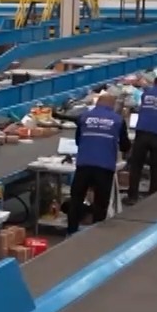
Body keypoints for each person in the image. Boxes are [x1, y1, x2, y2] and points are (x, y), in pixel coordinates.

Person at [65, 92, 130, 235]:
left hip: (84, 165)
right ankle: (95, 233)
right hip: (104, 166)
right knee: (100, 203)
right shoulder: (118, 120)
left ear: (97, 103)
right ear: (112, 105)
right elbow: (125, 146)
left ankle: (71, 231)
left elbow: (78, 140)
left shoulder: (84, 117)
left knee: (76, 199)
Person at [124, 76, 157, 205]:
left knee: (136, 165)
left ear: (155, 83)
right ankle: (154, 197)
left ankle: (132, 197)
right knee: (156, 166)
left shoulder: (145, 94)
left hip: (142, 132)